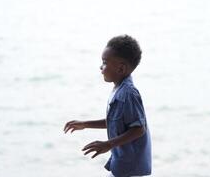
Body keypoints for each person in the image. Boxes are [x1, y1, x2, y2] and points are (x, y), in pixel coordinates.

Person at [64, 35, 152, 177]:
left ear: (121, 68)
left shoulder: (128, 93)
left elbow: (139, 129)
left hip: (131, 168)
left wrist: (108, 144)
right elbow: (116, 122)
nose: (101, 67)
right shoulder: (120, 90)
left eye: (104, 63)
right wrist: (85, 124)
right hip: (122, 164)